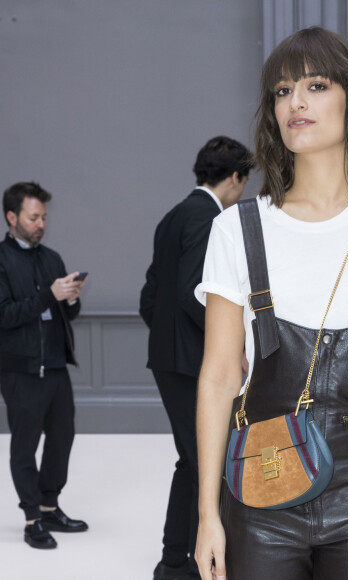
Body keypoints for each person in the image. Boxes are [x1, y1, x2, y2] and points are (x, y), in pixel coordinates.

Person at [194, 27, 348, 580]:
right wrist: (208, 512)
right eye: (282, 91)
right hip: (260, 487)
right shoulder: (238, 229)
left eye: (315, 84)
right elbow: (216, 378)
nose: (296, 102)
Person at [139, 136, 253, 580]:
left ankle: (174, 561)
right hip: (191, 363)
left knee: (192, 460)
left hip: (169, 359)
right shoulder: (209, 219)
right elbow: (194, 295)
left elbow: (149, 297)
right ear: (235, 177)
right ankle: (184, 564)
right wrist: (230, 346)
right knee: (204, 463)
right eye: (245, 180)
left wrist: (168, 344)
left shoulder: (173, 216)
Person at [0, 182, 88, 550]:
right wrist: (48, 295)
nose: (41, 224)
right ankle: (32, 519)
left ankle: (50, 506)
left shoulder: (51, 258)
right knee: (25, 445)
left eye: (44, 217)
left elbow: (66, 314)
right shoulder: (1, 261)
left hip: (54, 366)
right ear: (12, 217)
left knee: (62, 439)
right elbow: (6, 316)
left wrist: (71, 299)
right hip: (20, 370)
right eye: (33, 217)